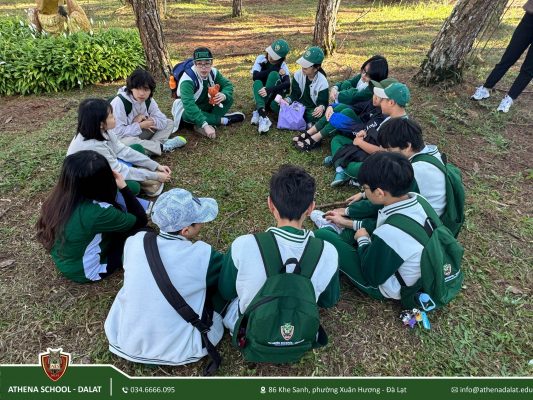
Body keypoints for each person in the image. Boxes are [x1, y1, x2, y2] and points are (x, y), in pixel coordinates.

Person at [105, 188, 225, 366]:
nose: (202, 223)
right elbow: (225, 282)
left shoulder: (135, 241)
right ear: (186, 230)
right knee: (221, 299)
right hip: (180, 349)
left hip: (124, 340)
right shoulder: (204, 255)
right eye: (199, 220)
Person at [219, 165, 339, 337]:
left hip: (250, 331)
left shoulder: (243, 245)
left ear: (270, 204)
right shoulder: (328, 252)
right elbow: (328, 300)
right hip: (300, 331)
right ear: (311, 208)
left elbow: (226, 291)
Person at [314, 152, 435, 300]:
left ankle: (331, 229)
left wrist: (363, 239)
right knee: (359, 228)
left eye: (364, 188)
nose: (363, 192)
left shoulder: (390, 232)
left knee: (322, 236)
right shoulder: (419, 200)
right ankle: (340, 230)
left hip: (390, 285)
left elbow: (372, 275)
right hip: (422, 266)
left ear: (379, 193)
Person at [311, 118, 447, 240]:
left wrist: (348, 215)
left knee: (347, 233)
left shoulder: (415, 171)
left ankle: (339, 228)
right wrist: (364, 194)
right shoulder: (427, 153)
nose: (386, 155)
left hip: (418, 226)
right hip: (419, 214)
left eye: (389, 150)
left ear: (407, 146)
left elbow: (385, 201)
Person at [35, 151, 148, 283]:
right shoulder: (99, 212)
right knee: (144, 233)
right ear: (104, 181)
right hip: (88, 270)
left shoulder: (59, 197)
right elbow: (140, 220)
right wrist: (123, 187)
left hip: (68, 259)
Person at [67, 98, 171, 197]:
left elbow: (123, 150)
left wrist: (156, 166)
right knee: (134, 187)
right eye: (111, 116)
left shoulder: (103, 130)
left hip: (109, 166)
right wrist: (156, 176)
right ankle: (144, 182)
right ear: (101, 124)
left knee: (137, 148)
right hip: (93, 181)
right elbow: (119, 171)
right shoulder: (93, 146)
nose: (115, 118)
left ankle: (144, 179)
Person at [293, 55, 388, 150]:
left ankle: (315, 138)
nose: (363, 75)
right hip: (355, 117)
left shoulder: (373, 94)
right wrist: (332, 104)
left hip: (359, 128)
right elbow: (347, 87)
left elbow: (350, 99)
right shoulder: (365, 82)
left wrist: (343, 94)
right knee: (340, 108)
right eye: (363, 71)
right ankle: (310, 133)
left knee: (344, 112)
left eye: (368, 75)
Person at [324, 77, 398, 187]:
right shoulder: (378, 109)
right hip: (362, 145)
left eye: (379, 96)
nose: (374, 97)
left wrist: (360, 140)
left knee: (364, 168)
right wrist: (332, 106)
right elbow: (356, 108)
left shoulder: (393, 123)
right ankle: (341, 160)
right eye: (374, 93)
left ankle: (340, 162)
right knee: (337, 138)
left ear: (390, 102)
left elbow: (383, 153)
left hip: (369, 155)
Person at [471, 1, 533, 113]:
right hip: (530, 18)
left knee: (529, 68)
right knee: (508, 57)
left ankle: (509, 99)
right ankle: (486, 88)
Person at [171, 47, 245, 139]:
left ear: (211, 63)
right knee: (186, 114)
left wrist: (224, 95)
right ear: (194, 64)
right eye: (199, 64)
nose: (203, 68)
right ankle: (223, 120)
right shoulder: (187, 80)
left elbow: (227, 85)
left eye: (207, 63)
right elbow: (189, 105)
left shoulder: (213, 72)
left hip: (207, 103)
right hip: (190, 107)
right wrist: (205, 125)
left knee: (228, 99)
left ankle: (206, 122)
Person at [109, 69, 186, 156]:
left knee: (169, 123)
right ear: (131, 88)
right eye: (138, 89)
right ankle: (162, 147)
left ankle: (148, 149)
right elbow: (117, 133)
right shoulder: (119, 102)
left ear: (150, 91)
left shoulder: (148, 100)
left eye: (146, 89)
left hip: (139, 134)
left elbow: (162, 120)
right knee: (126, 142)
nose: (142, 93)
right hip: (123, 138)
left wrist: (151, 120)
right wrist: (139, 125)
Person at [282, 47, 329, 136]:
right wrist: (287, 100)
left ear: (316, 68)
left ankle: (297, 120)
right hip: (297, 106)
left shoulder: (322, 82)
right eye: (303, 64)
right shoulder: (298, 75)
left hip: (311, 109)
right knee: (277, 105)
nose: (303, 68)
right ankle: (308, 124)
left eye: (306, 66)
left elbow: (323, 102)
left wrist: (321, 107)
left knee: (318, 115)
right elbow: (294, 95)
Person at [250, 39, 291, 134]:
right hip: (262, 94)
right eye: (270, 53)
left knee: (273, 75)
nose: (271, 57)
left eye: (275, 57)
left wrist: (269, 89)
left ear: (281, 58)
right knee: (257, 82)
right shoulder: (261, 59)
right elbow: (255, 76)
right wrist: (275, 69)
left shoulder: (283, 66)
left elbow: (287, 84)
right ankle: (263, 115)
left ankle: (258, 110)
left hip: (274, 96)